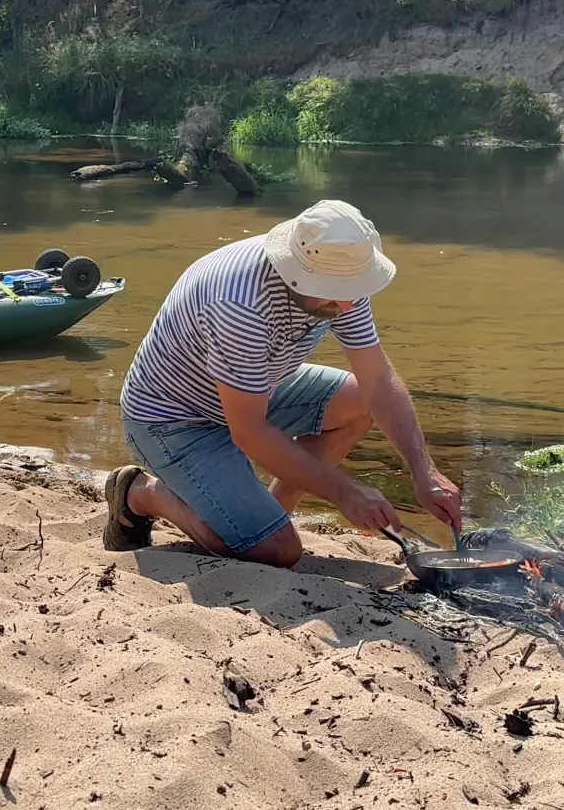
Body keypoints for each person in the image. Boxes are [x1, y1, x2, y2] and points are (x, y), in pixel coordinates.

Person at [102, 199, 463, 568]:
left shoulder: (342, 275)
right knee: (276, 553)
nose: (350, 306)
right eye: (336, 292)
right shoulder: (238, 302)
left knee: (358, 403)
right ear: (298, 272)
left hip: (256, 389)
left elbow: (378, 378)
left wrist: (425, 471)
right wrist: (345, 492)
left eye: (353, 288)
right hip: (174, 419)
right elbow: (249, 431)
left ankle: (267, 517)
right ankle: (144, 494)